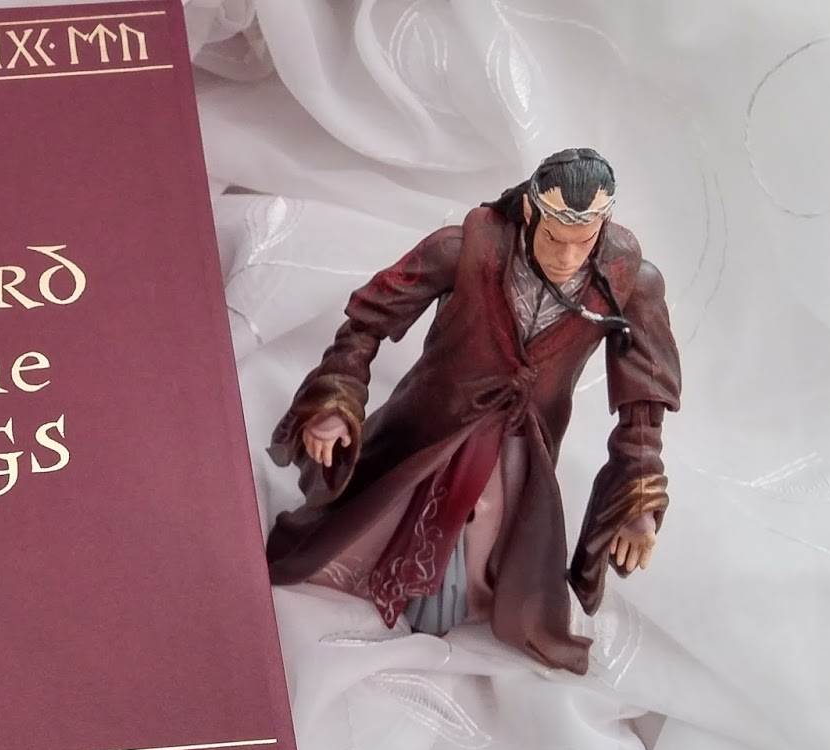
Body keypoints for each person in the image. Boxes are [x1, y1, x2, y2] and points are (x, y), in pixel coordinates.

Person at [264, 148, 682, 675]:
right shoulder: (464, 250)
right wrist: (338, 395)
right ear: (530, 211)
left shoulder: (628, 283)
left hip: (522, 444)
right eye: (555, 238)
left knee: (491, 530)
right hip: (430, 424)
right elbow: (368, 321)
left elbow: (644, 399)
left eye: (584, 240)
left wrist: (639, 491)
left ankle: (463, 603)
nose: (568, 257)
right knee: (375, 517)